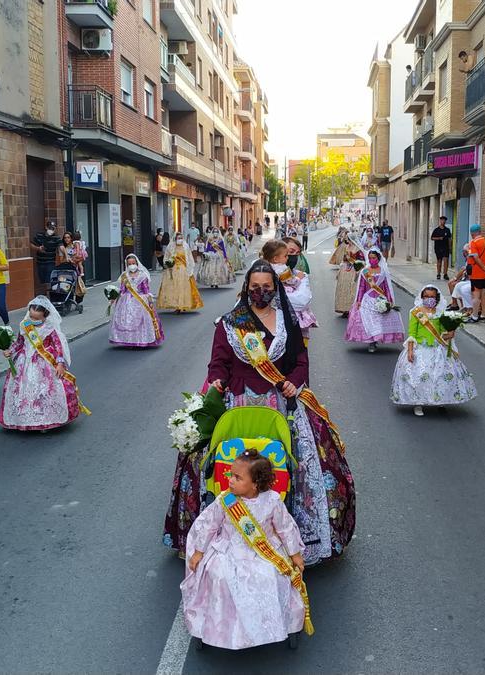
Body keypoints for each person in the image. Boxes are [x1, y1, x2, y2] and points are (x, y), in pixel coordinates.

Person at [164, 261, 355, 565]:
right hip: (237, 401)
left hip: (279, 400)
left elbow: (300, 361)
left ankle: (284, 535)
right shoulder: (232, 322)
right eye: (255, 287)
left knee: (290, 465)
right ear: (246, 288)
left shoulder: (287, 323)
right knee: (225, 463)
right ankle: (218, 532)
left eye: (267, 287)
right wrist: (216, 380)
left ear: (275, 288)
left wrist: (293, 382)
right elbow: (219, 362)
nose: (261, 292)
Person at [180, 450, 307, 650]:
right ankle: (217, 628)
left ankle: (274, 626)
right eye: (231, 475)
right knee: (219, 576)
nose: (230, 480)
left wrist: (295, 554)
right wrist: (199, 552)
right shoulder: (225, 500)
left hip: (263, 552)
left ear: (255, 483)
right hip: (228, 551)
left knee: (271, 575)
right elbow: (209, 525)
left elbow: (285, 528)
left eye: (238, 478)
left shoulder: (272, 501)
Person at [0, 296, 89, 431]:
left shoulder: (49, 328)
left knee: (44, 390)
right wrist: (9, 351)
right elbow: (19, 343)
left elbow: (58, 347)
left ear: (45, 315)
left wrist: (59, 364)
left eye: (36, 318)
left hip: (44, 362)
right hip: (24, 362)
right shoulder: (25, 326)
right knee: (22, 390)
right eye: (31, 316)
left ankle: (45, 419)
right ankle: (23, 418)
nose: (32, 320)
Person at [391, 285, 478, 416]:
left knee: (439, 375)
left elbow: (443, 331)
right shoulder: (416, 312)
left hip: (437, 348)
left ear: (436, 298)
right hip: (420, 348)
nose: (429, 299)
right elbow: (412, 333)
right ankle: (418, 403)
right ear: (422, 297)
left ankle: (440, 399)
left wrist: (451, 332)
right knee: (419, 376)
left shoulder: (440, 313)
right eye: (426, 296)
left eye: (432, 297)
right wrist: (410, 351)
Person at [345, 248, 405, 353]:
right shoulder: (365, 271)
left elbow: (386, 287)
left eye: (374, 258)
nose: (372, 260)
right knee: (368, 321)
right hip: (367, 300)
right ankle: (371, 342)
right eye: (370, 258)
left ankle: (377, 339)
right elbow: (361, 287)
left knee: (380, 322)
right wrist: (359, 300)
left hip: (380, 299)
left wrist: (389, 299)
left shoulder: (383, 271)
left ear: (378, 258)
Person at [261, 239, 317, 339]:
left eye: (298, 253)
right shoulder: (282, 269)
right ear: (275, 258)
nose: (290, 258)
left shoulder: (264, 267)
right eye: (288, 253)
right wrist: (299, 279)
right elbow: (300, 301)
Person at [110, 253, 165, 348]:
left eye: (133, 263)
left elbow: (146, 289)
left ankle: (140, 340)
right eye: (129, 263)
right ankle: (128, 340)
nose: (132, 265)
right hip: (126, 301)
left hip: (140, 300)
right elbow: (122, 289)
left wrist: (149, 298)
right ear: (127, 265)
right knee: (126, 320)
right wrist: (115, 297)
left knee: (140, 320)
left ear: (137, 263)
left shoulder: (143, 275)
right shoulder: (124, 275)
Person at [157, 232, 203, 313]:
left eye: (181, 238)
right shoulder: (170, 247)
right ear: (175, 239)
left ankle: (184, 304)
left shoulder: (186, 246)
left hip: (184, 270)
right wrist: (168, 263)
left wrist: (190, 269)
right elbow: (166, 257)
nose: (180, 240)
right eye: (178, 238)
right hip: (173, 270)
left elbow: (189, 257)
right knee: (175, 287)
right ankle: (177, 305)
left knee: (184, 287)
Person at [465, 224, 485, 323]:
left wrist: (484, 268)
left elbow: (476, 258)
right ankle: (483, 314)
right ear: (480, 231)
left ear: (472, 233)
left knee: (476, 295)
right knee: (484, 293)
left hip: (477, 273)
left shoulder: (473, 243)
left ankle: (474, 316)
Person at [330, 230, 361, 316]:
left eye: (349, 239)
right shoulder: (346, 247)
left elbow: (360, 261)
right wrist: (345, 259)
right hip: (345, 269)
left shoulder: (357, 248)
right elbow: (344, 257)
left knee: (351, 289)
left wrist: (353, 262)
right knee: (342, 288)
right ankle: (343, 309)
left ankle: (350, 309)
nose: (348, 240)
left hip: (353, 270)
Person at [55, 231, 87, 305]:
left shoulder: (75, 246)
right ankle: (69, 300)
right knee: (68, 284)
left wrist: (74, 259)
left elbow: (82, 257)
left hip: (77, 267)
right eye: (65, 238)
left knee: (80, 285)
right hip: (67, 268)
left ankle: (78, 302)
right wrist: (67, 259)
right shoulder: (63, 248)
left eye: (68, 237)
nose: (66, 239)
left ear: (71, 238)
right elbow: (61, 260)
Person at [30, 220, 61, 293]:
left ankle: (48, 296)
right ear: (46, 227)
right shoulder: (39, 235)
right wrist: (38, 248)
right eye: (50, 228)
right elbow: (31, 244)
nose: (51, 230)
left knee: (49, 280)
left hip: (50, 262)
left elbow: (61, 247)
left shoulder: (56, 237)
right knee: (42, 280)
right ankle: (44, 294)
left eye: (53, 228)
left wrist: (66, 255)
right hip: (40, 262)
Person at [431, 216, 453, 280]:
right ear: (440, 221)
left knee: (446, 261)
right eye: (442, 220)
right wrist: (439, 238)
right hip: (438, 247)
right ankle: (438, 274)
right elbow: (432, 238)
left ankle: (445, 274)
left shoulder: (447, 230)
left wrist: (450, 247)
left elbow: (449, 239)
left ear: (445, 221)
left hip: (445, 248)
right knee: (439, 261)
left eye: (444, 220)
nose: (443, 221)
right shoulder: (436, 230)